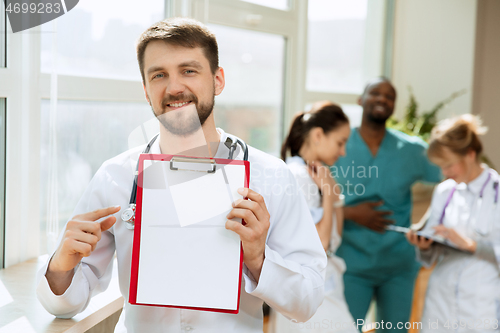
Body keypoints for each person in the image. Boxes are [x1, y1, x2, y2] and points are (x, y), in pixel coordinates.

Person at [36, 18, 327, 333]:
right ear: (146, 90)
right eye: (159, 75)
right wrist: (62, 262)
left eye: (189, 70)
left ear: (218, 80)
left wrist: (257, 258)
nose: (174, 88)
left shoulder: (270, 176)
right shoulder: (115, 177)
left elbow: (308, 302)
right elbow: (65, 304)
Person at [333, 77, 442, 332]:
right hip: (351, 263)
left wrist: (426, 222)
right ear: (361, 100)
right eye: (375, 93)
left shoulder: (412, 150)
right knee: (346, 328)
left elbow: (450, 181)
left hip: (399, 265)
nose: (382, 99)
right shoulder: (340, 146)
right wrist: (350, 212)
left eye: (389, 96)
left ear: (393, 106)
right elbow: (311, 196)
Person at [269, 102, 358, 333]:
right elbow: (322, 243)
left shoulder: (314, 175)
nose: (343, 151)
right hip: (311, 290)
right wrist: (328, 195)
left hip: (319, 288)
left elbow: (335, 234)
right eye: (341, 142)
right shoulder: (299, 177)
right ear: (318, 135)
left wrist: (332, 193)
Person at [406, 114, 499, 333]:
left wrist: (471, 245)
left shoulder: (497, 192)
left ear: (470, 154)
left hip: (480, 300)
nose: (444, 173)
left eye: (449, 165)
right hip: (441, 298)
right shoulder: (444, 191)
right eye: (441, 166)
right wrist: (424, 244)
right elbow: (431, 254)